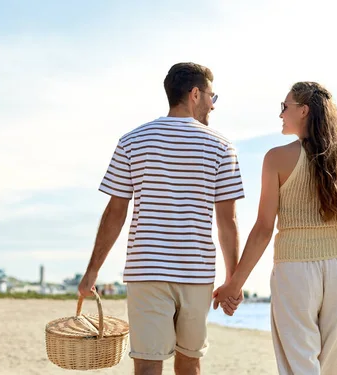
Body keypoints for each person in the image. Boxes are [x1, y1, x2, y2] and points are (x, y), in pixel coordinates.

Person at [78, 62, 245, 375]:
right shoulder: (222, 147)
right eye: (212, 96)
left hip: (146, 270)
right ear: (195, 94)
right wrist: (233, 281)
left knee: (147, 363)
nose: (213, 104)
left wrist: (92, 271)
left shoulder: (132, 140)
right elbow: (228, 222)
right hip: (196, 272)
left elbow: (115, 212)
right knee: (190, 361)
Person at [213, 81, 337, 375]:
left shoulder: (276, 158)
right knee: (330, 367)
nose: (280, 115)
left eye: (284, 107)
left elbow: (264, 228)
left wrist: (234, 284)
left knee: (300, 364)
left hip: (295, 270)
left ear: (303, 111)